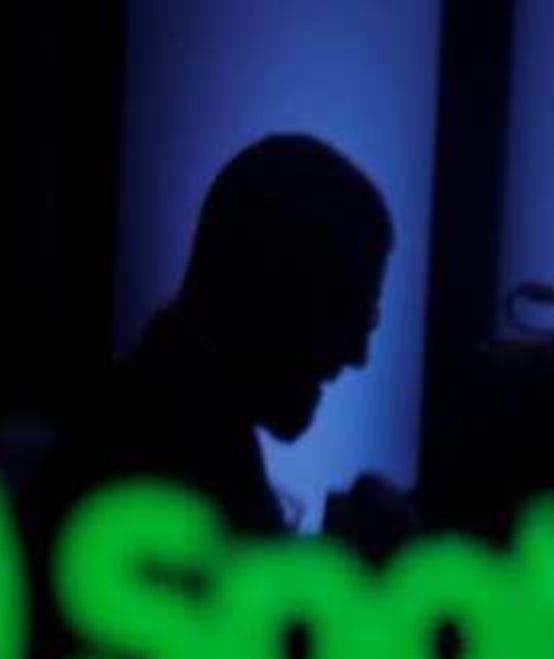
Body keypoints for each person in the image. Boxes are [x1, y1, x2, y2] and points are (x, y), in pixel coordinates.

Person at [31, 133, 393, 540]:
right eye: (343, 308)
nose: (358, 354)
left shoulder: (151, 427)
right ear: (271, 284)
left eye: (366, 317)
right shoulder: (157, 467)